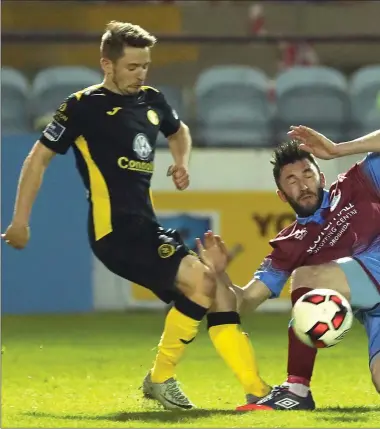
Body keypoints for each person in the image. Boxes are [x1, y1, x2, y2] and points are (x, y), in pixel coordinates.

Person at [2, 21, 270, 410]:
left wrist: (182, 162)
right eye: (132, 66)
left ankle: (257, 391)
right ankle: (161, 379)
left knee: (218, 292)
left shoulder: (152, 100)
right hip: (115, 231)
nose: (141, 73)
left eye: (145, 65)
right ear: (106, 64)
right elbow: (37, 160)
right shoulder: (82, 106)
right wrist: (20, 221)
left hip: (145, 225)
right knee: (203, 280)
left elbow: (180, 131)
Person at [199, 128, 380, 411]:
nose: (303, 184)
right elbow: (244, 302)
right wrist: (220, 275)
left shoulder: (358, 182)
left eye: (308, 174)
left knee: (307, 276)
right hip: (375, 311)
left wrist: (337, 150)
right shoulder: (288, 245)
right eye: (292, 181)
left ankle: (296, 389)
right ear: (282, 194)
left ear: (321, 177)